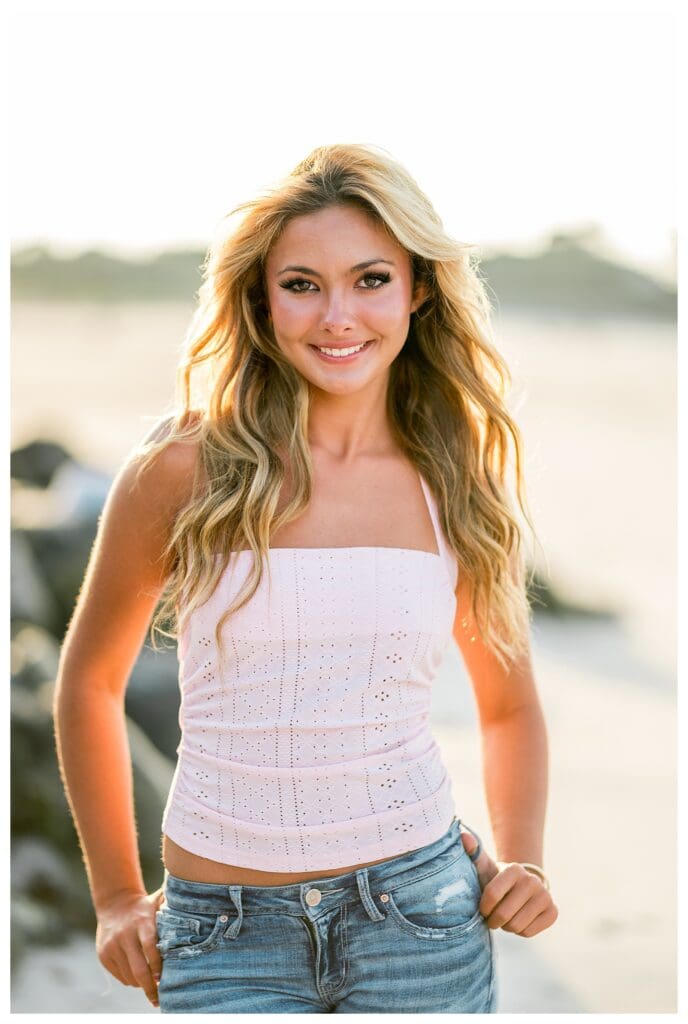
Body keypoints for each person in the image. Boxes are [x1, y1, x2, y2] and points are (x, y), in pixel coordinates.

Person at [53, 142, 558, 1014]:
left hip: (422, 920)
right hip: (222, 935)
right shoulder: (181, 469)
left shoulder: (455, 478)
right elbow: (89, 685)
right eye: (301, 284)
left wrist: (527, 859)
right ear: (259, 297)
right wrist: (112, 900)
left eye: (370, 280)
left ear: (419, 290)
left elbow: (507, 703)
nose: (337, 317)